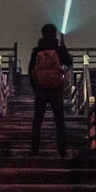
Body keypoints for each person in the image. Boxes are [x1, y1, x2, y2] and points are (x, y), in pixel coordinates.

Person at [27, 22, 72, 155]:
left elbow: (31, 71)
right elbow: (69, 62)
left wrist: (36, 88)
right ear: (55, 34)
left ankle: (34, 151)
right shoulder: (59, 50)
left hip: (41, 90)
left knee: (37, 121)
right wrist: (64, 48)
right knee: (59, 121)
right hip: (56, 89)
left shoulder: (37, 50)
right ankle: (62, 151)